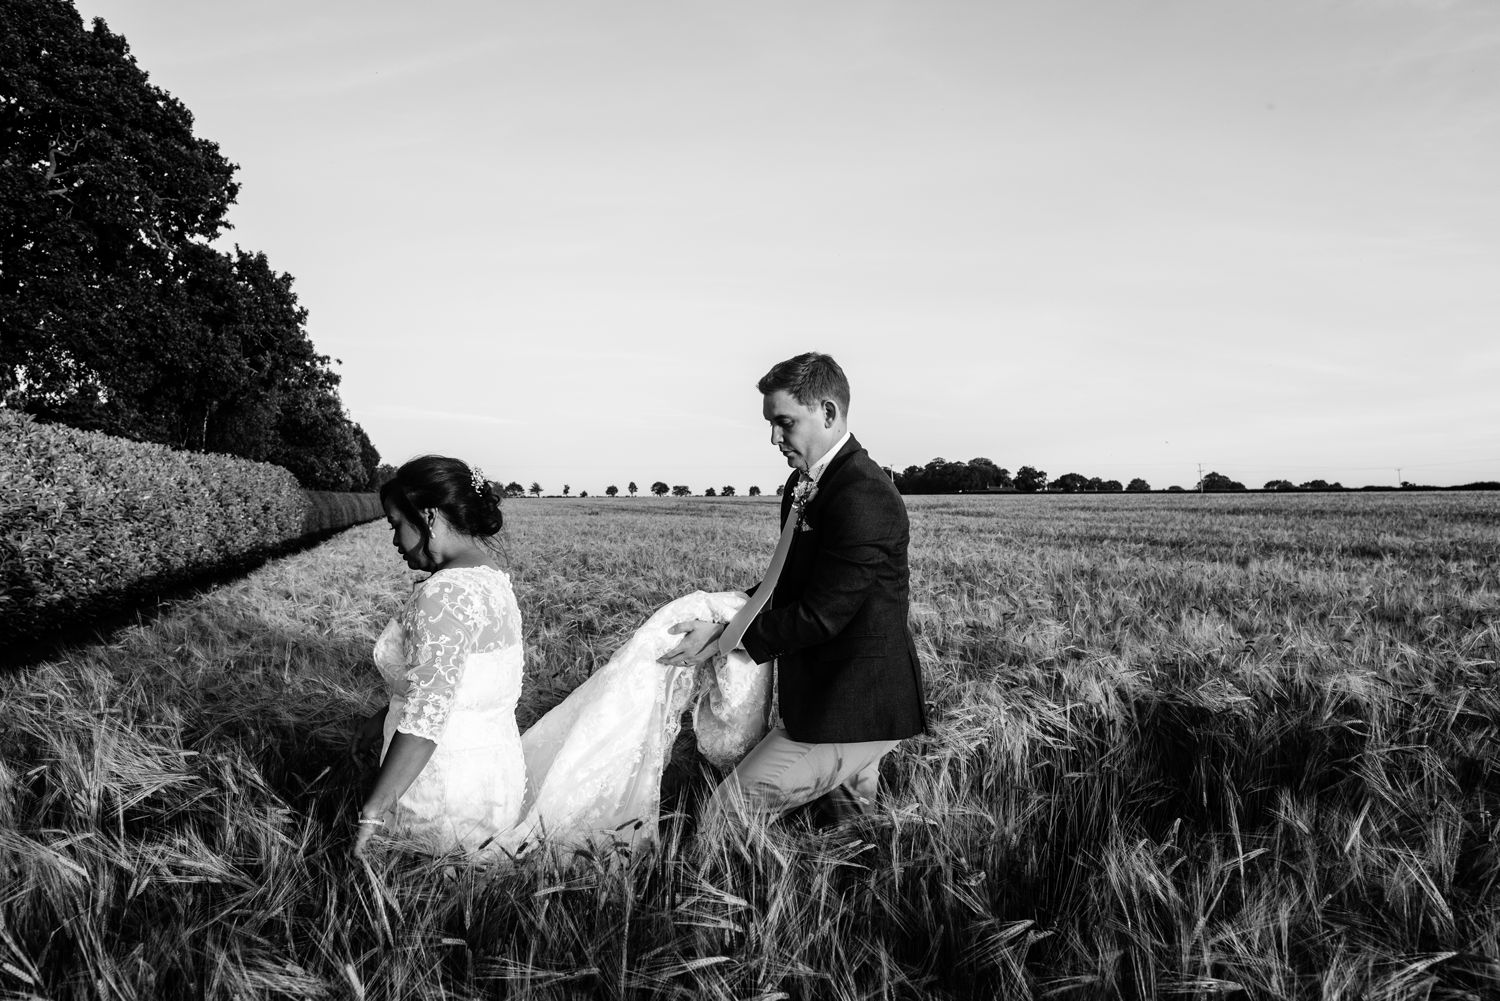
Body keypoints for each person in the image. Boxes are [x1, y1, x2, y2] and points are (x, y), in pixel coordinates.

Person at [353, 456, 770, 858]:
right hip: (496, 781)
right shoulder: (492, 582)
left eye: (396, 525)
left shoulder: (441, 595)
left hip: (440, 788)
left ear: (428, 516)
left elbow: (428, 714)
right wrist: (382, 718)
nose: (394, 541)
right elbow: (459, 684)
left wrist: (375, 806)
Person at [660, 352, 927, 827]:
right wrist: (723, 613)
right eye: (770, 424)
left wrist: (726, 637)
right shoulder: (802, 485)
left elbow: (823, 613)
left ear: (827, 412)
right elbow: (784, 582)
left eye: (784, 422)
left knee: (727, 815)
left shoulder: (861, 493)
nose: (774, 438)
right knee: (850, 826)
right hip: (826, 699)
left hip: (856, 705)